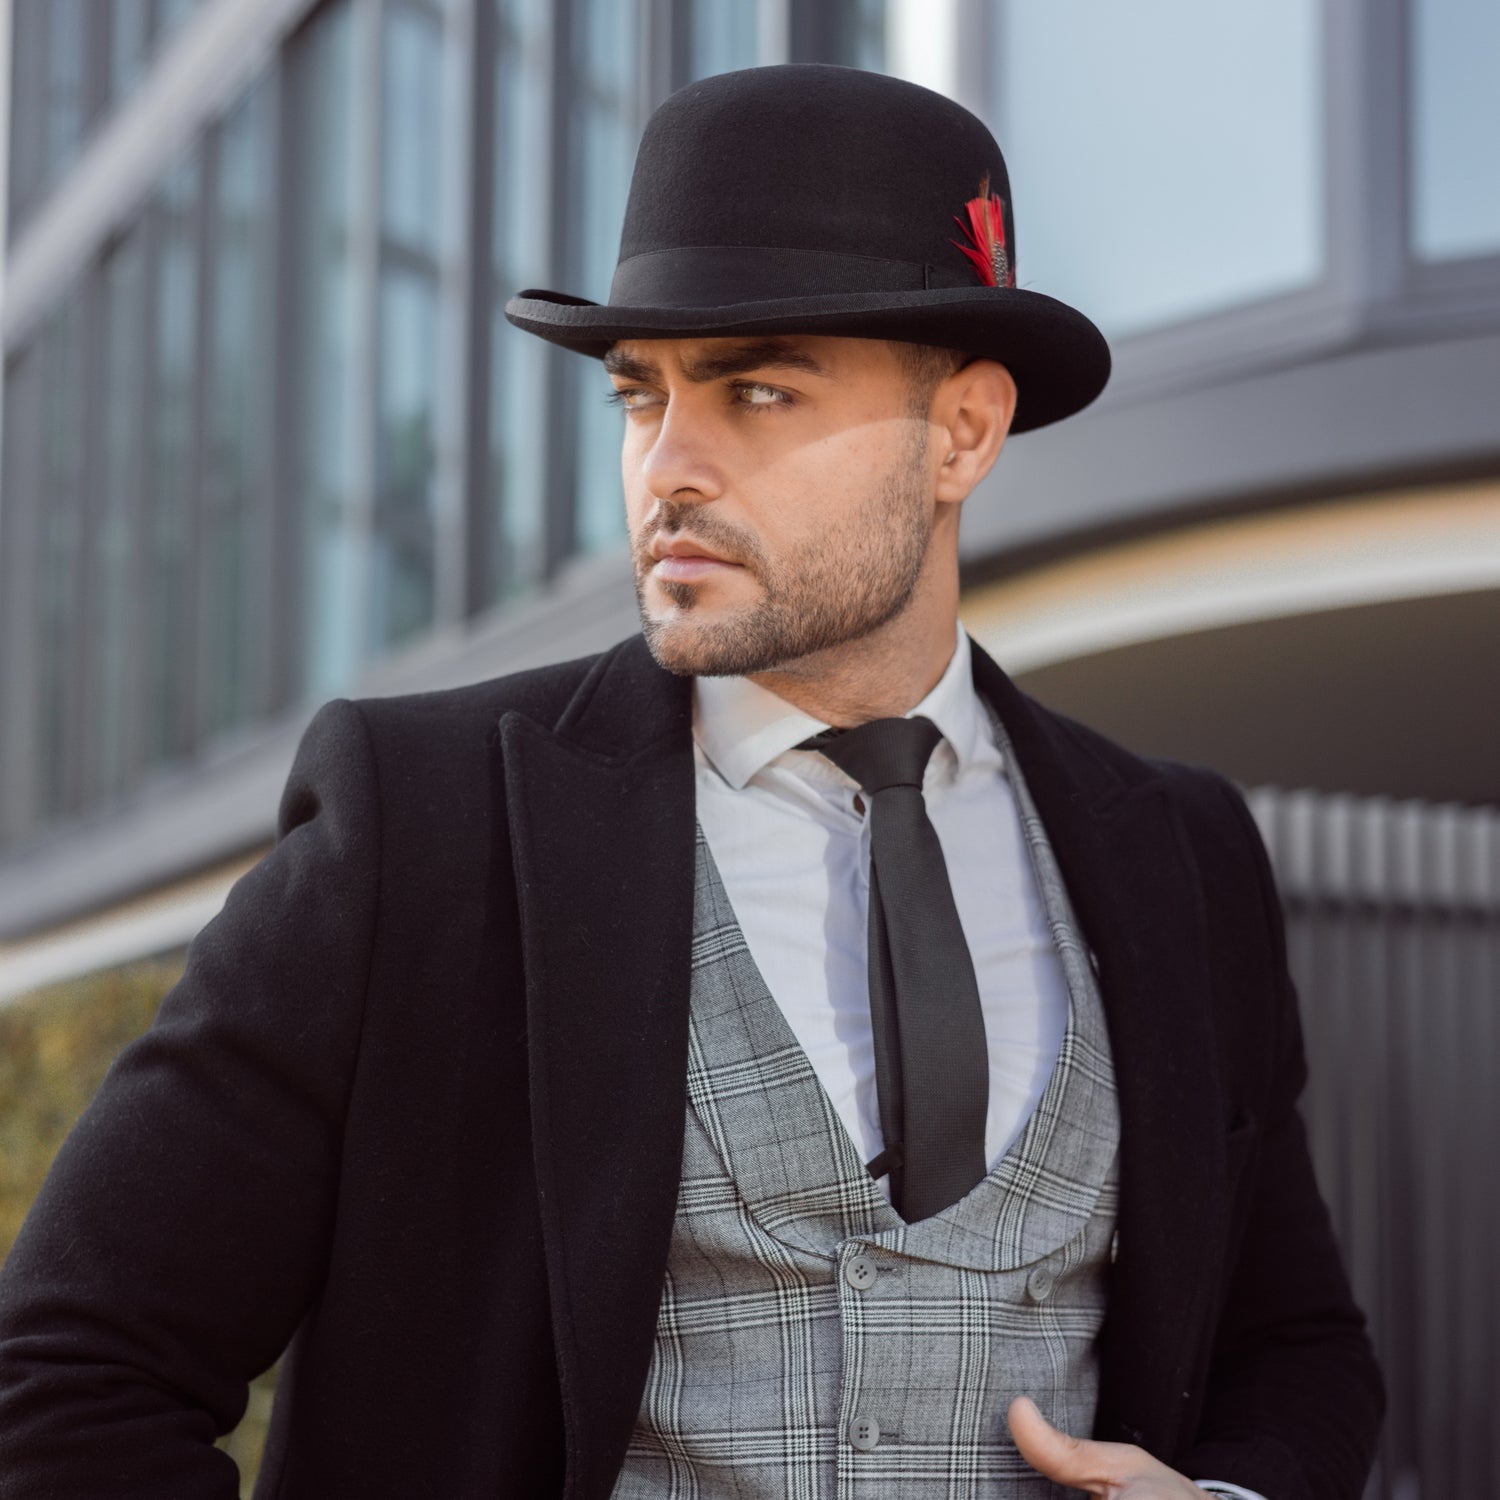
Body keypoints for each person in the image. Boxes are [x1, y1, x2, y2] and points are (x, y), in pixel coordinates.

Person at [0, 64, 1381, 1500]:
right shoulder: (425, 825)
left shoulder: (1178, 852)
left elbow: (1301, 1350)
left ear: (963, 433)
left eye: (759, 390)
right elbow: (72, 1372)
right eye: (640, 395)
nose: (669, 466)